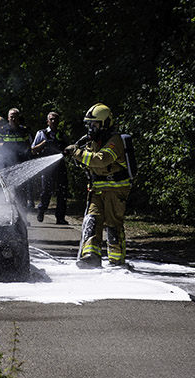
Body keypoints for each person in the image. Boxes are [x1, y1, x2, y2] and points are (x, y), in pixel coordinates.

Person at [63, 103, 131, 268]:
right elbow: (88, 162)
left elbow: (101, 160)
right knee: (92, 221)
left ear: (105, 123)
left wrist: (77, 153)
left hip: (115, 189)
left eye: (94, 124)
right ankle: (91, 256)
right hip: (97, 189)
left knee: (113, 225)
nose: (91, 128)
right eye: (89, 124)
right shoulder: (93, 141)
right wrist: (76, 157)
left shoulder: (115, 141)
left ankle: (116, 260)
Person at [0, 108, 34, 209]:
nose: (13, 119)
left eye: (15, 117)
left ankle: (23, 217)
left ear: (19, 118)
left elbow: (29, 145)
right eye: (11, 117)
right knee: (9, 191)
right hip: (7, 164)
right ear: (8, 118)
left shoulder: (23, 131)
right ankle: (11, 215)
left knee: (22, 191)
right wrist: (4, 145)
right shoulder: (2, 131)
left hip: (21, 164)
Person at [31, 112, 69, 224]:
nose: (53, 122)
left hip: (60, 165)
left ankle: (60, 217)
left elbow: (67, 148)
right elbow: (33, 150)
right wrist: (44, 143)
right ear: (47, 121)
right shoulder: (41, 133)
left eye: (56, 120)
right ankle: (41, 210)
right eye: (51, 119)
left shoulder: (61, 135)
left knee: (62, 191)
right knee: (46, 190)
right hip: (47, 166)